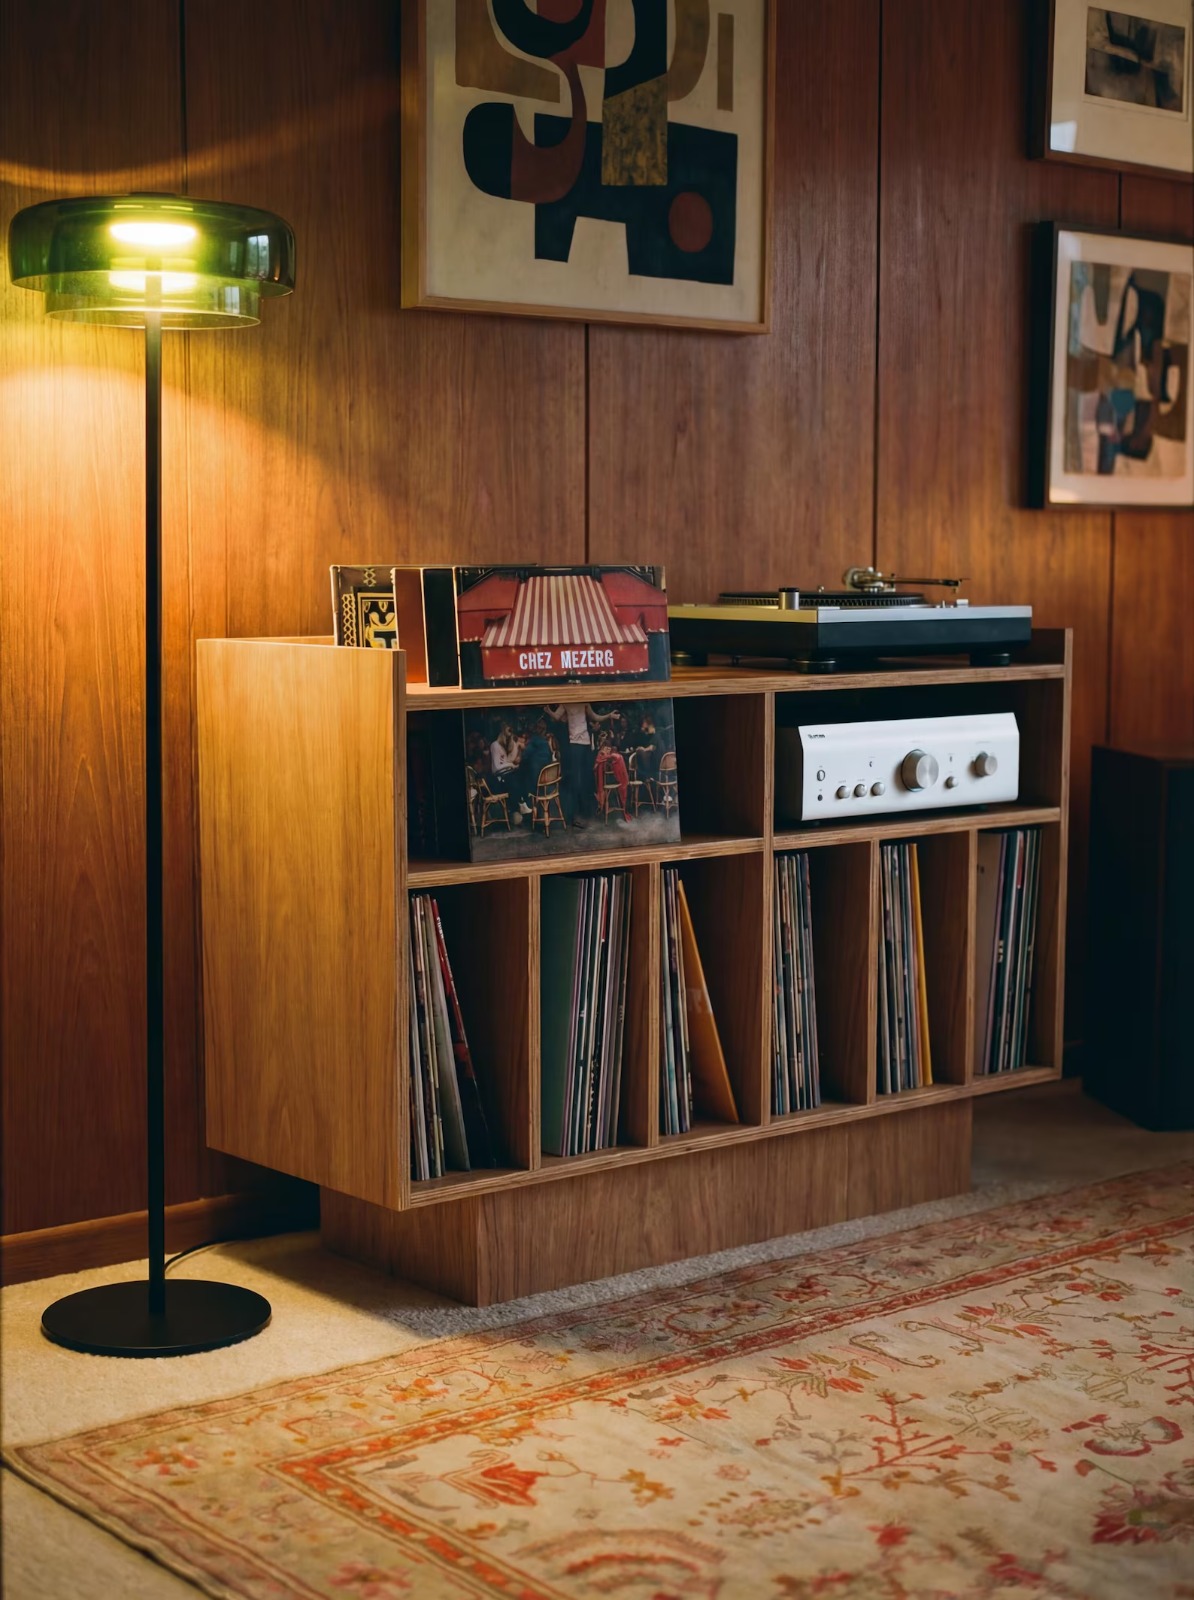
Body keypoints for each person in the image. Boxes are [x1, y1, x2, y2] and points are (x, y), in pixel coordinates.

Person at [544, 703, 615, 828]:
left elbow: (595, 717)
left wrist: (609, 715)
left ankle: (587, 813)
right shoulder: (566, 703)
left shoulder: (584, 703)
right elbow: (556, 716)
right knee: (575, 780)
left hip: (585, 742)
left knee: (586, 777)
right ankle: (575, 815)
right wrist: (548, 710)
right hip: (574, 743)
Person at [594, 731, 630, 820]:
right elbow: (597, 766)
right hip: (604, 782)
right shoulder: (601, 755)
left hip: (614, 779)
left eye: (609, 749)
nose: (608, 750)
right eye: (606, 748)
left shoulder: (612, 756)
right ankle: (601, 805)